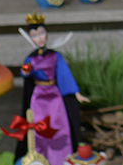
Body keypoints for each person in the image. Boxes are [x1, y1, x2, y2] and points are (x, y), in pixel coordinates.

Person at [17, 13, 89, 165]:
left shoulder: (55, 56)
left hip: (55, 96)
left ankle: (61, 159)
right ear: (31, 38)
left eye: (42, 33)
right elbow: (26, 72)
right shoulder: (31, 58)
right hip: (38, 98)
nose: (40, 38)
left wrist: (75, 92)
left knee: (59, 126)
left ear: (46, 33)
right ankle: (41, 158)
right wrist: (25, 71)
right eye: (35, 35)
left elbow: (64, 74)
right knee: (39, 129)